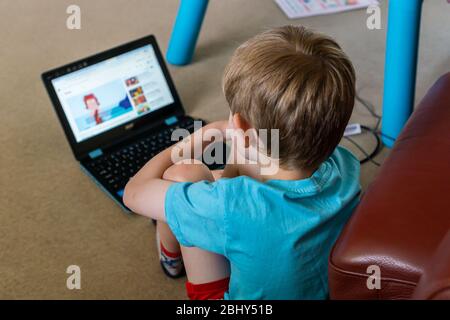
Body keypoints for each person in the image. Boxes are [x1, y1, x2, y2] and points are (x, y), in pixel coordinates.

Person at [124, 25, 361, 300]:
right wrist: (242, 143)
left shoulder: (230, 205)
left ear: (241, 127)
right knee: (220, 174)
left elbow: (134, 192)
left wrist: (206, 132)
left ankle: (171, 259)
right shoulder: (346, 165)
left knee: (180, 173)